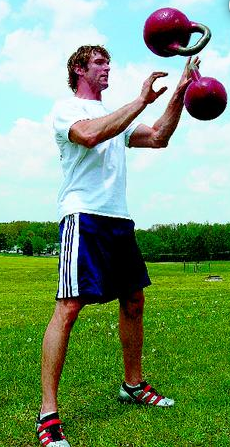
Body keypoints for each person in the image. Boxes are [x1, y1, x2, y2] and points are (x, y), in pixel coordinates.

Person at [36, 45, 200, 447]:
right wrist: (141, 100)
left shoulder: (119, 117)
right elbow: (90, 135)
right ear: (79, 69)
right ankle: (48, 413)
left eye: (110, 61)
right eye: (100, 63)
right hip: (83, 216)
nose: (108, 68)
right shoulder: (66, 109)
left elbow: (159, 136)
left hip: (118, 219)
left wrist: (179, 91)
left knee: (133, 302)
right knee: (69, 307)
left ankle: (133, 385)